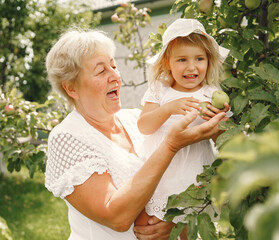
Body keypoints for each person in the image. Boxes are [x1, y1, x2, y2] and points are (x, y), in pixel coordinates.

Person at [44, 28, 226, 240]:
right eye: (101, 71)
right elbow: (117, 217)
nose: (115, 76)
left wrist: (174, 223)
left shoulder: (134, 120)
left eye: (114, 65)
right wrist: (171, 145)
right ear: (72, 88)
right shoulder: (67, 137)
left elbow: (174, 185)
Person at [136, 18, 231, 226]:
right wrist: (168, 108)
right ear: (167, 63)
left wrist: (216, 124)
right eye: (182, 60)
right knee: (153, 225)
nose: (191, 67)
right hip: (159, 173)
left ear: (209, 61)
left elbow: (224, 140)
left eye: (199, 59)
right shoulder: (159, 89)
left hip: (194, 173)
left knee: (190, 225)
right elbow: (144, 126)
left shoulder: (211, 94)